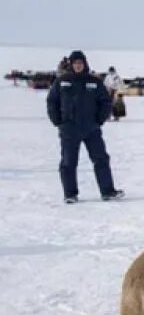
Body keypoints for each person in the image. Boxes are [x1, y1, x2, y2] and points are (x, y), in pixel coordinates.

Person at [46, 50, 124, 203]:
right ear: (71, 64)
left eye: (80, 63)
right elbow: (52, 102)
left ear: (85, 64)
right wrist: (58, 121)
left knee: (101, 159)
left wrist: (99, 120)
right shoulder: (61, 81)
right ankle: (70, 194)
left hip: (91, 129)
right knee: (69, 162)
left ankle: (107, 191)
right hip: (69, 129)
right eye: (75, 63)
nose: (78, 66)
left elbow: (105, 101)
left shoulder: (94, 82)